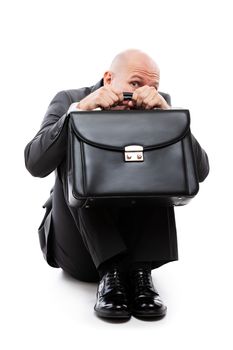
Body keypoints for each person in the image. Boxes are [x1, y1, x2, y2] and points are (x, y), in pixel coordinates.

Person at [24, 49, 210, 320]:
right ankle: (110, 274)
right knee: (75, 145)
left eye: (152, 87)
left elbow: (200, 171)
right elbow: (34, 162)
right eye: (135, 84)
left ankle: (141, 274)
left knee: (158, 158)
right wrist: (77, 115)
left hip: (135, 249)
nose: (141, 95)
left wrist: (168, 119)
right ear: (109, 79)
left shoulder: (157, 105)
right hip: (78, 247)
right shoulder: (71, 99)